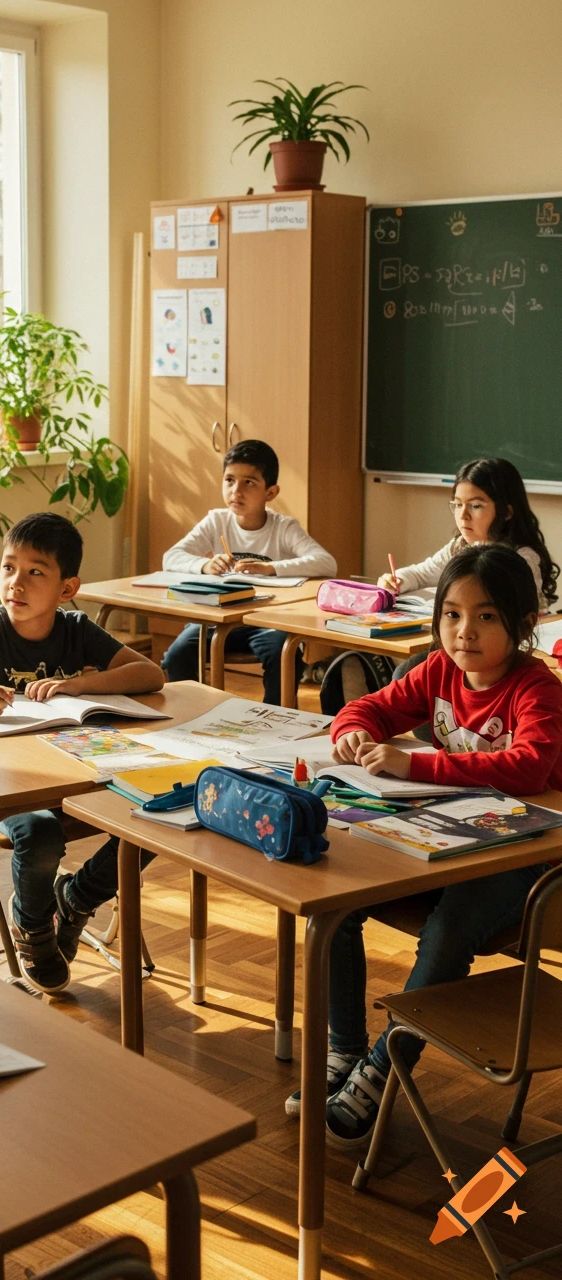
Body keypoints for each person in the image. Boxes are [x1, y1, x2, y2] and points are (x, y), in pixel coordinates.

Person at [287, 544, 562, 1146]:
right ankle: (346, 1050)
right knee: (336, 902)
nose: (465, 632)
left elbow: (529, 768)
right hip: (442, 835)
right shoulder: (439, 670)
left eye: (487, 616)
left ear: (523, 625)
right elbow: (367, 707)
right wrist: (354, 731)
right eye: (452, 614)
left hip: (522, 856)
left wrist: (417, 766)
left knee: (448, 932)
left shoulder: (534, 688)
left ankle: (385, 1065)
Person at [0, 511, 164, 995]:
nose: (16, 584)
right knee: (40, 832)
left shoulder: (75, 628)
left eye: (35, 572)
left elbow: (150, 674)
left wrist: (77, 684)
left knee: (157, 814)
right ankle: (33, 925)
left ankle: (78, 896)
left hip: (69, 768)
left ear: (67, 589)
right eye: (9, 568)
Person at [161, 439, 337, 704]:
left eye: (249, 482)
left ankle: (278, 723)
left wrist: (271, 567)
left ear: (271, 492)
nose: (236, 491)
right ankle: (192, 715)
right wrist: (204, 565)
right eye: (229, 480)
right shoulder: (216, 521)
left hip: (266, 623)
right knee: (177, 656)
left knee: (282, 656)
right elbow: (171, 557)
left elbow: (326, 562)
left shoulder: (283, 527)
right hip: (217, 618)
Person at [378, 456, 558, 609]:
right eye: (457, 505)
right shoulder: (460, 547)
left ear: (507, 512)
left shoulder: (522, 558)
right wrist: (397, 580)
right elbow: (420, 574)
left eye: (475, 506)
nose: (463, 515)